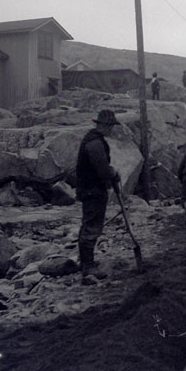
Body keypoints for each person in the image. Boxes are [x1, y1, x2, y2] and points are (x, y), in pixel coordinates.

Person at [76, 109, 121, 282]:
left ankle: (84, 262)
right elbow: (102, 170)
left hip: (89, 189)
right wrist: (113, 172)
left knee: (87, 225)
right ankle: (88, 266)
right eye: (111, 126)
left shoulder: (92, 139)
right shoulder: (95, 143)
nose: (112, 129)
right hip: (93, 190)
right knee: (92, 227)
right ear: (105, 125)